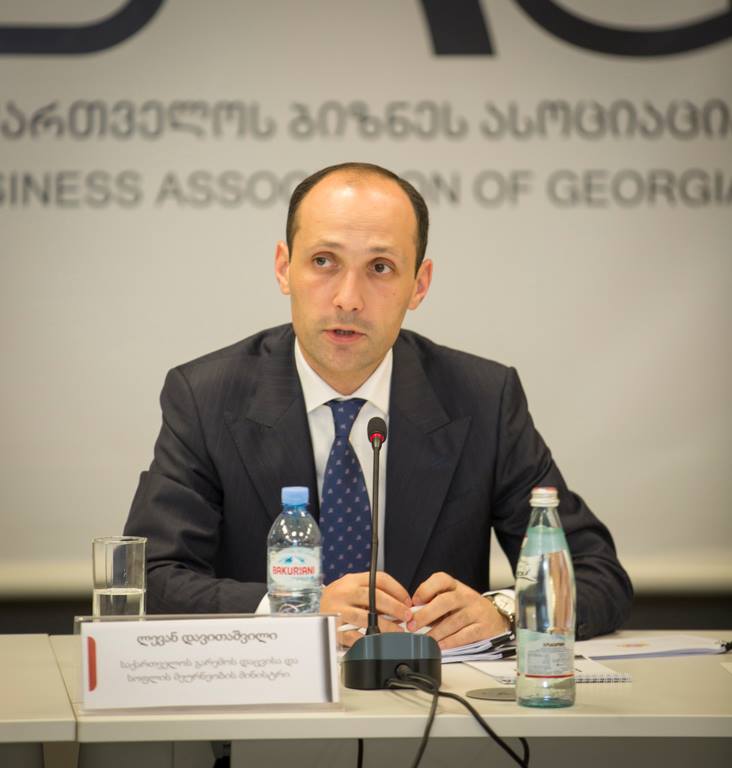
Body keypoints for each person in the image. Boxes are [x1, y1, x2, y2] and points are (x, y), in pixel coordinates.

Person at [124, 162, 632, 648]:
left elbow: (594, 574)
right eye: (324, 261)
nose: (348, 298)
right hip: (271, 698)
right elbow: (152, 577)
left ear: (419, 285)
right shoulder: (207, 396)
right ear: (284, 268)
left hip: (437, 697)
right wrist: (292, 609)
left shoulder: (482, 398)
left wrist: (506, 611)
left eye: (380, 268)